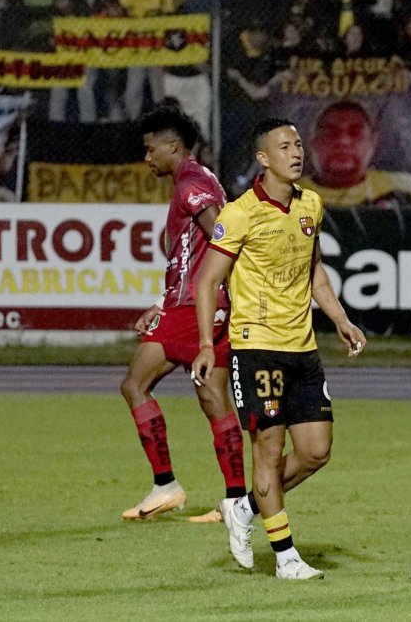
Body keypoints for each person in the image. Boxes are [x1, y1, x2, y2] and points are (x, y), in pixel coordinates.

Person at [192, 118, 367, 581]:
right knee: (267, 452)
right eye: (284, 146)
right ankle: (286, 557)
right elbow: (208, 279)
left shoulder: (311, 204)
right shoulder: (240, 213)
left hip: (302, 349)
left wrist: (341, 319)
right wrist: (209, 344)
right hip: (257, 348)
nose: (296, 152)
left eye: (298, 144)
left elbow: (315, 273)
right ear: (263, 158)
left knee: (315, 451)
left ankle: (246, 507)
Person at [118, 106, 252, 543]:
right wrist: (160, 302)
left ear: (172, 146)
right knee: (213, 399)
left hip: (194, 305)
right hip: (196, 304)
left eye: (150, 148)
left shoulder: (192, 182)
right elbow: (190, 254)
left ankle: (166, 485)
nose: (147, 157)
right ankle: (234, 499)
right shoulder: (200, 177)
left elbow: (221, 237)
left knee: (136, 385)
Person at [298, 101, 411, 207]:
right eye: (330, 133)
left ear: (373, 141)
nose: (343, 141)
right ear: (312, 142)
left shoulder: (403, 188)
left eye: (355, 133)